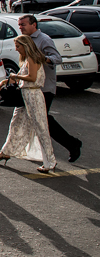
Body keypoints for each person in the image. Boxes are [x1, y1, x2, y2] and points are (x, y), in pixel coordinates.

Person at [21, 14, 82, 162]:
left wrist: (43, 58)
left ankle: (71, 144)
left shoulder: (44, 39)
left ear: (34, 25)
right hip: (31, 88)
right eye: (19, 25)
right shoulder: (26, 40)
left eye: (23, 24)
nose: (21, 27)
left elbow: (57, 58)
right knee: (33, 119)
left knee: (43, 120)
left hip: (44, 88)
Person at [0, 33, 57, 172]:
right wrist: (5, 81)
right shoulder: (27, 58)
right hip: (25, 94)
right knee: (16, 124)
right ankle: (6, 152)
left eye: (18, 46)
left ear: (25, 46)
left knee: (40, 127)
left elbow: (32, 77)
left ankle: (50, 161)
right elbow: (22, 77)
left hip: (33, 95)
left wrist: (15, 76)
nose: (16, 49)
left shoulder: (33, 58)